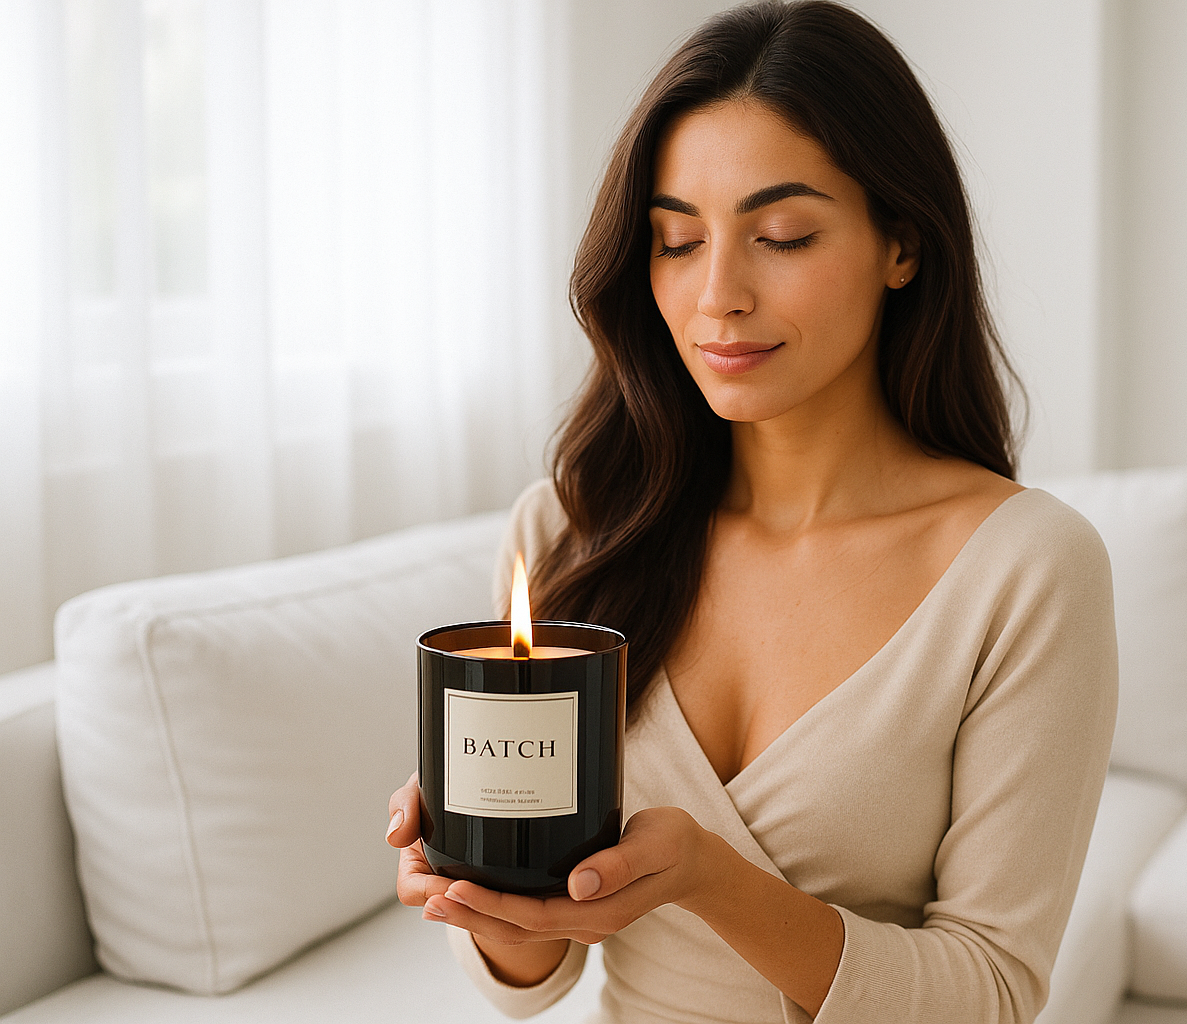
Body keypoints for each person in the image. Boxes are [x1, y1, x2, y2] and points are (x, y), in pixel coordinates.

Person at [385, 2, 1117, 1020]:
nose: (716, 293)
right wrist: (487, 904)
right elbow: (528, 984)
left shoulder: (1025, 567)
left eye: (781, 234)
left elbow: (991, 992)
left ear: (900, 243)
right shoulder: (573, 528)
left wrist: (713, 880)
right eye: (677, 241)